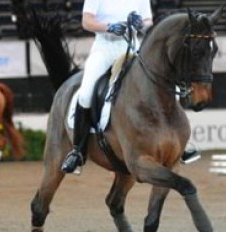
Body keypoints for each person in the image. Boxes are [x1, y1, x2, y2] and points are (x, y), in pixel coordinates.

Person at [61, 0, 200, 175]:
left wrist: (140, 24)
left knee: (170, 89)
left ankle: (181, 145)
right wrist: (109, 27)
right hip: (104, 50)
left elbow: (148, 22)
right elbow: (86, 21)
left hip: (134, 50)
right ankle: (78, 151)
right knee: (86, 93)